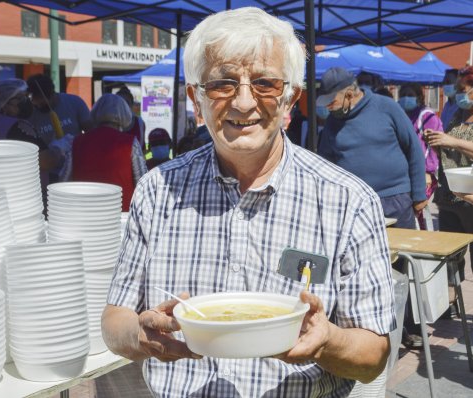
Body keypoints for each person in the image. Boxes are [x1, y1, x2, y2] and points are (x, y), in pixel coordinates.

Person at [102, 8, 394, 397]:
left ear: (290, 100)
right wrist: (141, 334)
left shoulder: (349, 200)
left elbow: (374, 355)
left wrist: (327, 341)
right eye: (222, 84)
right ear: (196, 99)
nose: (243, 102)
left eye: (265, 83)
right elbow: (114, 319)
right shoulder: (157, 191)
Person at [318, 67, 427, 230]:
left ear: (349, 93)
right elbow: (325, 164)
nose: (328, 107)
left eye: (332, 101)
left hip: (395, 200)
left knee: (402, 254)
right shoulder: (332, 122)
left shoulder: (386, 107)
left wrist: (419, 195)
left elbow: (413, 149)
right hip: (355, 205)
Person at [425, 66, 473, 314]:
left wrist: (451, 141)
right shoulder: (456, 114)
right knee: (451, 256)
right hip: (449, 196)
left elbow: (457, 144)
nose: (460, 96)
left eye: (463, 90)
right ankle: (451, 301)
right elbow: (448, 150)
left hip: (471, 198)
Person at [0, 79, 71, 208]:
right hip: (22, 199)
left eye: (27, 96)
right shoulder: (19, 127)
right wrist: (59, 147)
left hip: (3, 195)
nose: (26, 101)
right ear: (4, 104)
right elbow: (46, 161)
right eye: (20, 98)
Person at [71, 94, 147, 212]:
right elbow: (142, 183)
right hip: (120, 214)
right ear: (124, 115)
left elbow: (64, 179)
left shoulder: (76, 142)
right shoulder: (130, 143)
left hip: (83, 212)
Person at [397, 82, 443, 229]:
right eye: (403, 95)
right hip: (405, 173)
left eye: (410, 95)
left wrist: (428, 172)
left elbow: (434, 147)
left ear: (419, 97)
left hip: (423, 174)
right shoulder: (401, 114)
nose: (405, 98)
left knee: (417, 207)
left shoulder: (427, 117)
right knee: (413, 213)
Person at [26, 74, 91, 143]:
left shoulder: (75, 102)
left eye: (42, 104)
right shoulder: (30, 114)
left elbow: (90, 130)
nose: (39, 106)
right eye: (35, 104)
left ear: (52, 94)